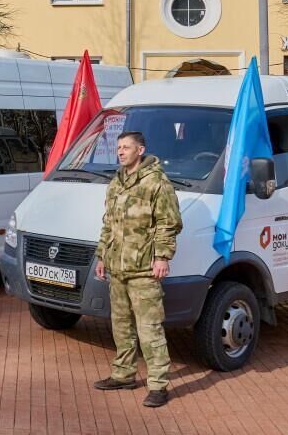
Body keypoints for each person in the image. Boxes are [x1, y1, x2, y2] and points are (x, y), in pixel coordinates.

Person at [92, 131, 183, 408]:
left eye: (126, 147)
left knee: (149, 329)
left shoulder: (157, 183)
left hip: (144, 268)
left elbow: (170, 223)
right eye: (118, 147)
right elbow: (109, 223)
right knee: (121, 326)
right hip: (118, 267)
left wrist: (162, 258)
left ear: (140, 150)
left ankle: (158, 385)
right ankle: (123, 375)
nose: (120, 152)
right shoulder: (116, 182)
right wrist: (101, 257)